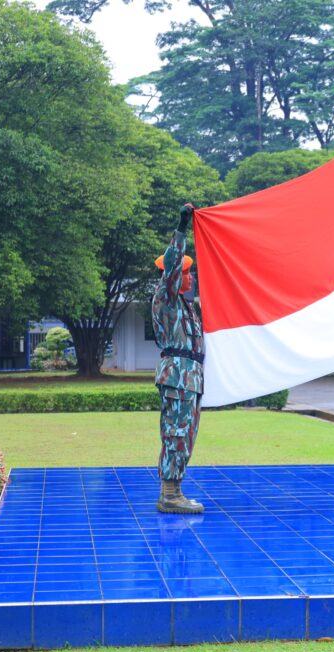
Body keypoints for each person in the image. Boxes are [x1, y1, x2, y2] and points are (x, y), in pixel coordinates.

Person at [153, 204, 205, 514]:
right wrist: (181, 229)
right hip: (177, 376)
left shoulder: (187, 308)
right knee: (176, 433)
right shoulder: (166, 298)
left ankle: (175, 490)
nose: (191, 277)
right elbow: (172, 265)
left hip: (189, 378)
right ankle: (169, 494)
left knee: (187, 435)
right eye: (187, 273)